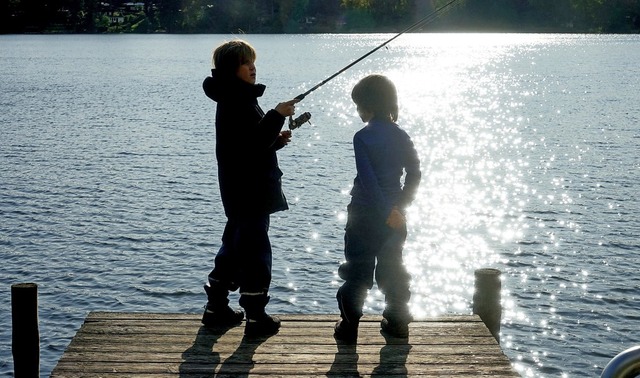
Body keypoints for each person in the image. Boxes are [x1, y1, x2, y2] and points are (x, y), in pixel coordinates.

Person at [201, 39, 299, 337]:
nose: (253, 68)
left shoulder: (236, 97)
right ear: (233, 69)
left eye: (253, 62)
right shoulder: (237, 101)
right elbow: (252, 143)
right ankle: (256, 315)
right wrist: (277, 114)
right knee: (256, 251)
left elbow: (249, 146)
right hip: (250, 192)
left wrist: (275, 140)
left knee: (233, 246)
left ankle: (216, 307)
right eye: (246, 63)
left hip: (240, 190)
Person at [334, 74, 422, 342]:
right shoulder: (403, 135)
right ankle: (396, 322)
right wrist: (399, 208)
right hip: (396, 214)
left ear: (368, 106)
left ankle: (349, 327)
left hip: (363, 213)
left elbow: (369, 181)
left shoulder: (362, 137)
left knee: (358, 269)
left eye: (358, 105)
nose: (358, 111)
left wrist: (386, 210)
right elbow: (415, 174)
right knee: (393, 267)